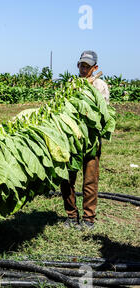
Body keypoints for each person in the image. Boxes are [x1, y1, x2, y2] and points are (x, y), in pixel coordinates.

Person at [61, 50, 110, 231]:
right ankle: (71, 216)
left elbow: (101, 113)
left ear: (95, 68)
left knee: (90, 180)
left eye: (87, 66)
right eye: (81, 65)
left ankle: (89, 219)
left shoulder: (100, 86)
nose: (83, 69)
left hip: (91, 140)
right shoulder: (70, 85)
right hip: (72, 139)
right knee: (67, 179)